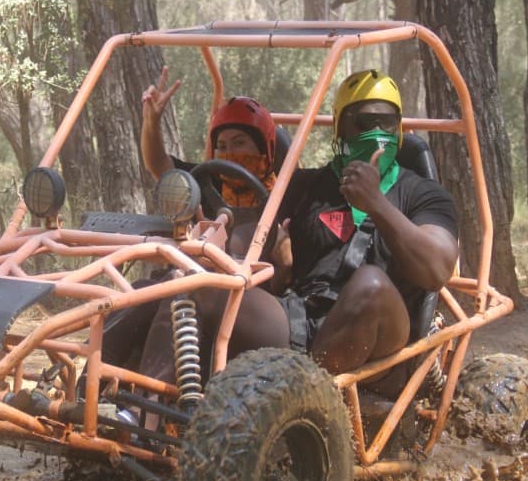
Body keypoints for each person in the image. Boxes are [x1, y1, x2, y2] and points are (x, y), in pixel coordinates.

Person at [136, 67, 459, 397]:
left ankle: (303, 402)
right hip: (302, 323)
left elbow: (437, 268)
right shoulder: (306, 186)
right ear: (340, 127)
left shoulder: (423, 193)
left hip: (381, 339)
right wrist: (223, 254)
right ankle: (135, 413)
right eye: (362, 122)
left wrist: (377, 203)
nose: (376, 132)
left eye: (386, 122)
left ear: (400, 129)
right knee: (194, 285)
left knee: (370, 285)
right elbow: (252, 237)